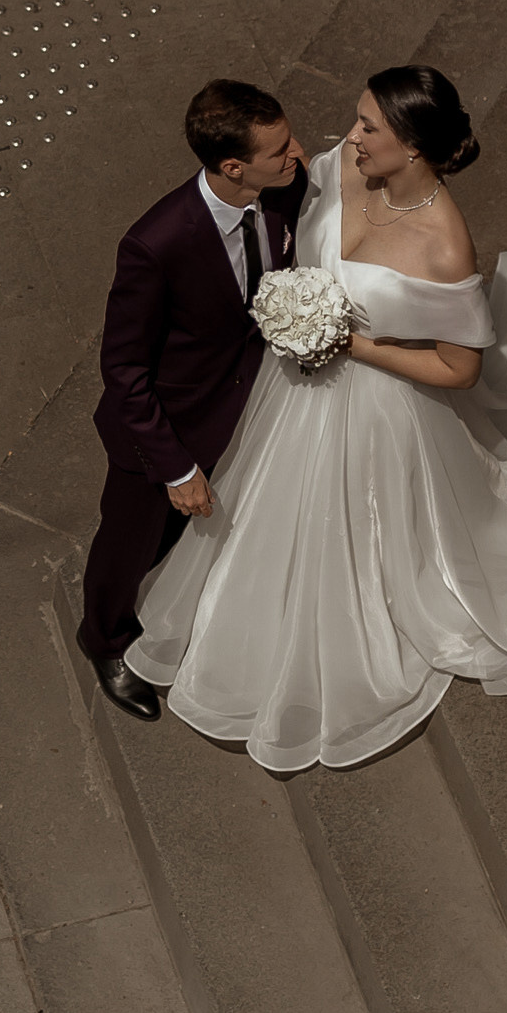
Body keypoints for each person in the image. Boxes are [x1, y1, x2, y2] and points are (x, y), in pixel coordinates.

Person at [125, 64, 507, 772]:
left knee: (361, 523)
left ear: (415, 149)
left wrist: (349, 341)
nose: (350, 135)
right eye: (359, 118)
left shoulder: (443, 244)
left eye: (369, 126)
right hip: (291, 391)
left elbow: (457, 369)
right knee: (265, 504)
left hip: (377, 406)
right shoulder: (338, 168)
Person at [79, 79, 308, 720]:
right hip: (161, 430)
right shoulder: (157, 243)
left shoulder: (281, 186)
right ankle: (104, 638)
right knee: (129, 543)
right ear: (233, 167)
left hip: (241, 403)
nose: (297, 155)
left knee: (179, 539)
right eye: (281, 147)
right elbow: (123, 369)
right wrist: (176, 467)